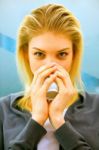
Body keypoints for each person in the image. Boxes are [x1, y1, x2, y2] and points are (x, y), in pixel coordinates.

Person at [0, 3, 99, 150]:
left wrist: (58, 120)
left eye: (62, 54)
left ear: (74, 56)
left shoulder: (96, 107)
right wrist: (37, 119)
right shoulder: (4, 109)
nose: (51, 66)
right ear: (26, 55)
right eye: (39, 54)